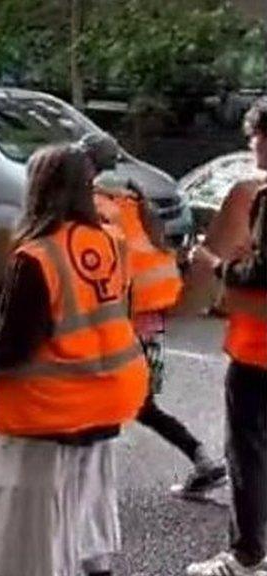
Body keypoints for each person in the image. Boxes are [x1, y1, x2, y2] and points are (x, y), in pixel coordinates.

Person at [0, 144, 148, 576]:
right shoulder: (111, 241)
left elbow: (10, 352)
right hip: (110, 398)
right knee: (81, 519)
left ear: (39, 189)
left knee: (31, 535)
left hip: (50, 410)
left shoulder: (36, 258)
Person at [82, 134, 227, 496]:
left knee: (100, 393)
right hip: (154, 308)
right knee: (137, 398)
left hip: (125, 310)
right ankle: (202, 459)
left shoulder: (94, 202)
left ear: (86, 162)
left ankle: (82, 484)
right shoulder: (133, 194)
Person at [185, 98, 267, 576]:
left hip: (258, 347)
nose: (251, 144)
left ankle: (245, 555)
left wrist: (214, 265)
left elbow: (259, 274)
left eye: (255, 135)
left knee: (246, 449)